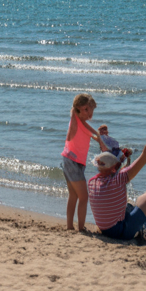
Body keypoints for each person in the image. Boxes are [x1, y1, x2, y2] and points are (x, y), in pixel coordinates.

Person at [87, 117, 146, 244]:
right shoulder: (119, 179)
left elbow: (107, 162)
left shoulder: (92, 182)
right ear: (115, 168)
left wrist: (103, 139)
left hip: (104, 230)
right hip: (121, 232)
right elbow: (145, 156)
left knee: (134, 203)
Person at [62, 93, 106, 231]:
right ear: (77, 109)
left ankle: (70, 227)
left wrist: (100, 138)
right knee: (84, 196)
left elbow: (93, 134)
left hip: (73, 161)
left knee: (74, 195)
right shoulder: (75, 119)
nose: (89, 113)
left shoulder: (83, 123)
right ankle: (81, 228)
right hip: (72, 161)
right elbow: (71, 134)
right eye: (86, 109)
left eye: (91, 109)